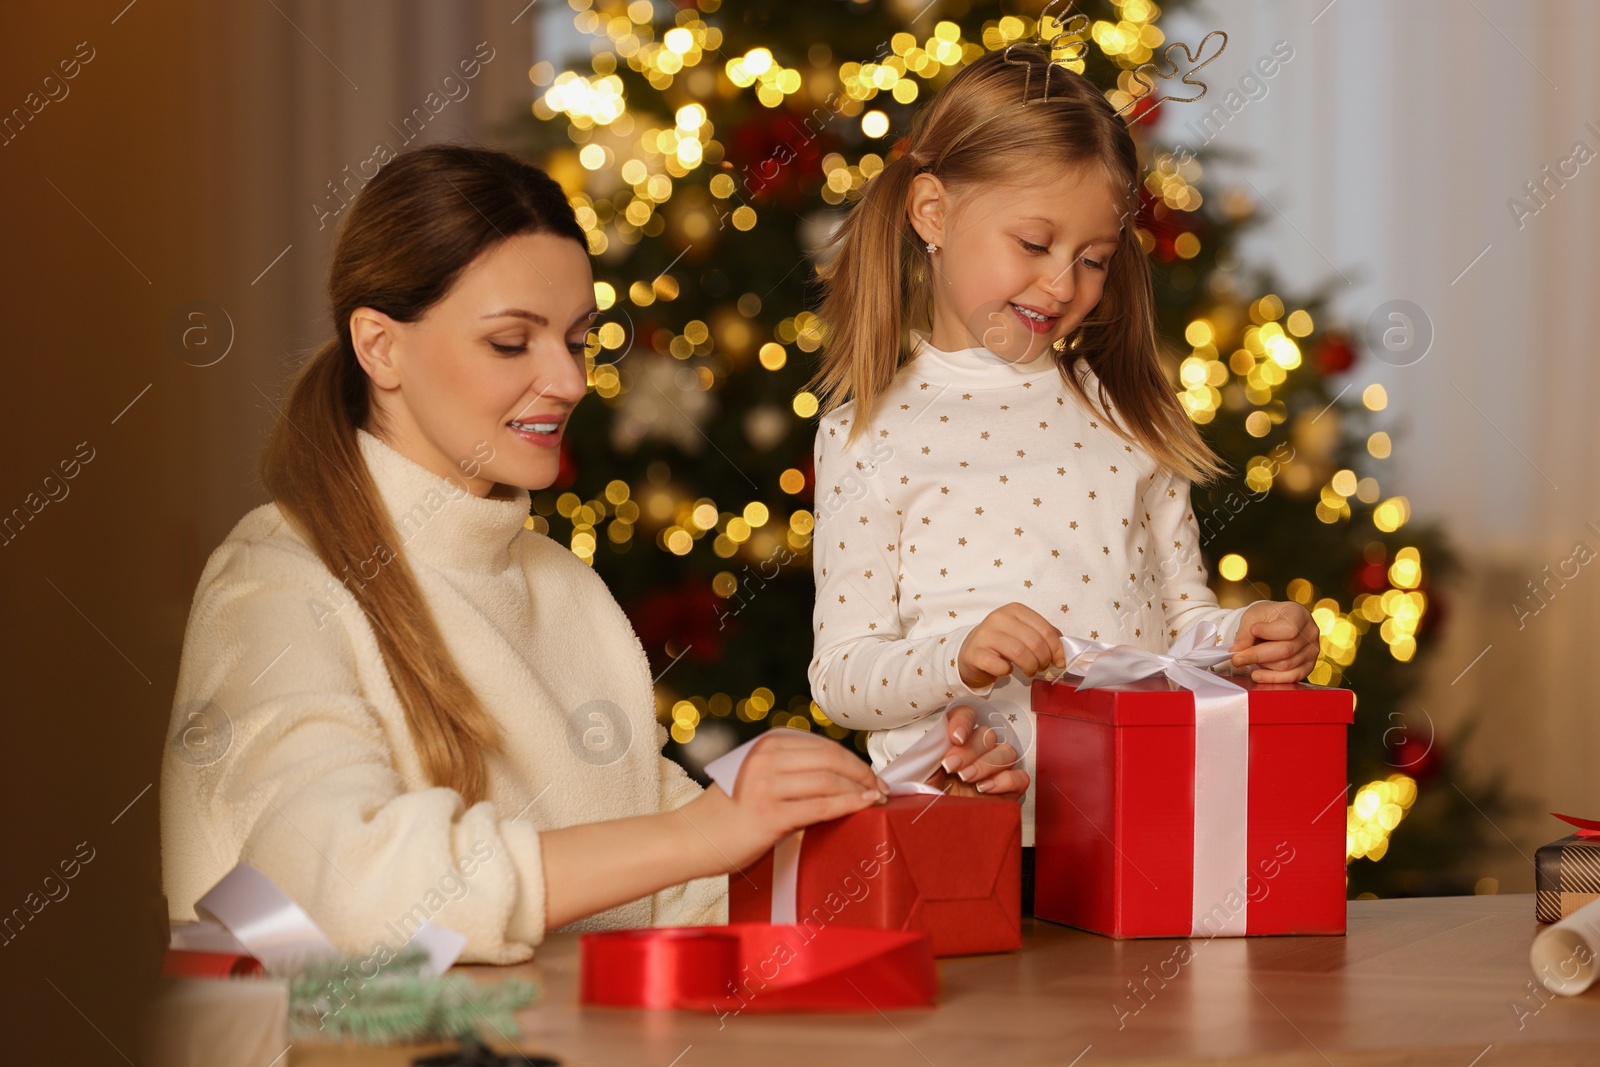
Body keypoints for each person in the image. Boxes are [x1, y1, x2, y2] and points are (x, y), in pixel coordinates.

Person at [160, 144, 1006, 966]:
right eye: (510, 342)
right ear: (380, 345)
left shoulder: (562, 586)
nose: (567, 380)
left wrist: (916, 819)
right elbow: (347, 889)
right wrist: (695, 832)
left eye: (575, 339)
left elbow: (686, 888)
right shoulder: (273, 584)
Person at [806, 45, 1320, 863]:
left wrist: (1247, 636)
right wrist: (961, 658)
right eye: (1034, 244)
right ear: (932, 214)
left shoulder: (1126, 418)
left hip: (1140, 835)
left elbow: (1179, 631)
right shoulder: (865, 437)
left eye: (1092, 260)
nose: (1060, 287)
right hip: (966, 846)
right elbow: (841, 677)